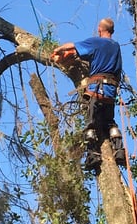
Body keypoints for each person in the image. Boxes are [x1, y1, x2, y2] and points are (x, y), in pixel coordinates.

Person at [53, 18, 126, 172]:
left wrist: (58, 50)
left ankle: (93, 155)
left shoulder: (96, 42)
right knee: (110, 122)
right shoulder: (116, 46)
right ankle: (119, 150)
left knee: (91, 124)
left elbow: (72, 46)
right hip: (111, 92)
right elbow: (117, 70)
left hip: (96, 90)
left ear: (100, 29)